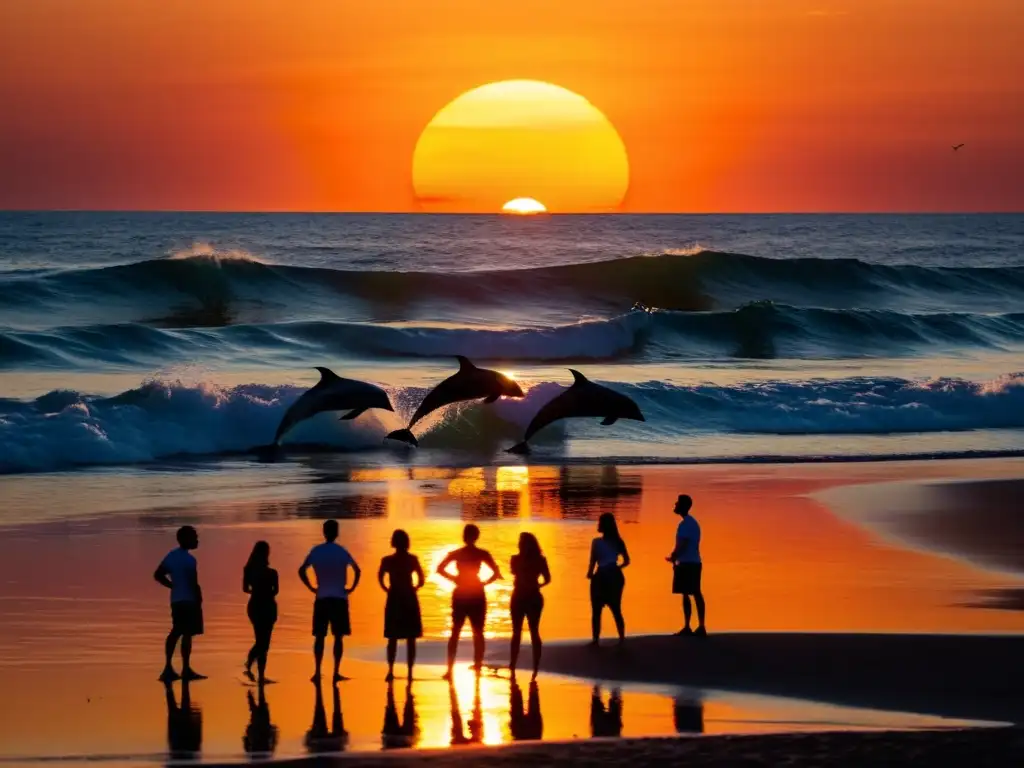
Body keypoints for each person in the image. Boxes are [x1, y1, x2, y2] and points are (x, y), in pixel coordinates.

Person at [436, 524, 503, 680]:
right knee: (477, 632)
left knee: (457, 632)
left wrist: (454, 578)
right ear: (476, 537)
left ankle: (450, 670)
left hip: (463, 592)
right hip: (474, 592)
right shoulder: (481, 553)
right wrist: (484, 583)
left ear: (465, 536)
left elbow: (440, 569)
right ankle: (476, 666)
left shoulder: (457, 553)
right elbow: (496, 573)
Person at [299, 519, 361, 682]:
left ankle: (317, 672)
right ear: (337, 532)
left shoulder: (316, 551)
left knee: (319, 636)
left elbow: (301, 570)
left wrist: (312, 588)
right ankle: (335, 672)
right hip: (339, 598)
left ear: (324, 532)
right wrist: (352, 588)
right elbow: (357, 570)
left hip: (322, 598)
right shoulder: (341, 551)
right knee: (338, 637)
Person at [154, 525, 206, 682]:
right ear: (185, 539)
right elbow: (193, 583)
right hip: (189, 601)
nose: (197, 540)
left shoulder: (172, 556)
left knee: (177, 632)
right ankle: (183, 668)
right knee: (185, 633)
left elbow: (158, 575)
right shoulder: (190, 560)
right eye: (194, 537)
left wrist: (172, 586)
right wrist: (198, 599)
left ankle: (170, 667)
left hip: (176, 600)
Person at [377, 529, 425, 682]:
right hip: (409, 598)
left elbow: (380, 577)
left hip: (394, 597)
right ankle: (410, 672)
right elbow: (422, 579)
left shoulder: (387, 560)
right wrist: (414, 588)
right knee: (411, 638)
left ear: (393, 542)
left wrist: (386, 589)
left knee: (392, 637)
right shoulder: (413, 559)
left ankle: (390, 670)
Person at [508, 532, 551, 680]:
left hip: (531, 597)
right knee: (517, 632)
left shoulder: (536, 560)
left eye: (522, 542)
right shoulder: (518, 559)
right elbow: (547, 579)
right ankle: (513, 665)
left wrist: (537, 585)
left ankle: (535, 666)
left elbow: (547, 579)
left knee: (533, 631)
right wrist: (537, 584)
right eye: (519, 542)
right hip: (521, 597)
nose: (519, 544)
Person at [586, 512, 629, 646]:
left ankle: (595, 639)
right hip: (615, 575)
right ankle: (621, 638)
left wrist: (589, 574)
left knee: (596, 610)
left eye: (600, 522)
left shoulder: (596, 542)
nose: (598, 524)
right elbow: (627, 560)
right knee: (616, 608)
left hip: (602, 576)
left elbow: (592, 561)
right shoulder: (618, 541)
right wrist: (616, 569)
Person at [666, 494, 706, 636]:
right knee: (690, 593)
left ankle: (697, 626)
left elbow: (683, 544)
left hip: (688, 563)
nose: (675, 505)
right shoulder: (692, 523)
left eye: (677, 503)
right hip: (691, 562)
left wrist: (673, 556)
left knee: (693, 593)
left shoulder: (685, 525)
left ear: (683, 506)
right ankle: (691, 626)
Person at [243, 540, 279, 684]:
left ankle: (251, 665)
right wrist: (266, 592)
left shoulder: (249, 570)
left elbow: (245, 589)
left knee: (260, 641)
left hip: (255, 605)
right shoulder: (272, 573)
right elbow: (276, 591)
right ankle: (259, 673)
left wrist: (256, 591)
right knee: (264, 643)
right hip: (268, 606)